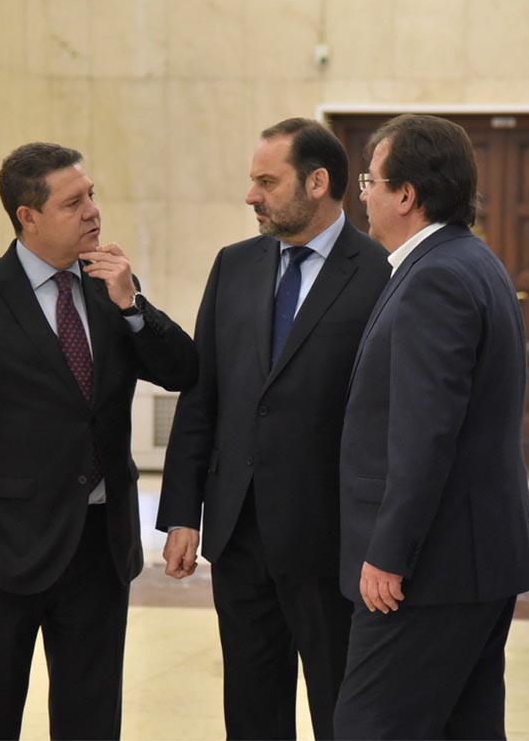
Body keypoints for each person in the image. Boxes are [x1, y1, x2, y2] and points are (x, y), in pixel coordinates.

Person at [0, 142, 197, 740]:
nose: (93, 210)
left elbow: (184, 371)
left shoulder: (110, 287)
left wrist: (133, 304)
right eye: (74, 202)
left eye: (92, 194)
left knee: (91, 722)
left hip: (99, 547)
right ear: (29, 216)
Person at [156, 117, 390, 739]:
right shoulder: (233, 265)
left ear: (318, 182)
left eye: (267, 180)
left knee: (340, 710)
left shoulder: (382, 274)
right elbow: (202, 395)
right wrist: (183, 510)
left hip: (332, 541)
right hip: (239, 535)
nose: (251, 196)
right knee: (252, 712)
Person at [333, 114, 529, 740]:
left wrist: (389, 554)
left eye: (369, 179)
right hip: (469, 561)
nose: (360, 193)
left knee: (370, 727)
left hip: (429, 571)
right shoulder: (470, 261)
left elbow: (425, 437)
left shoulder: (437, 278)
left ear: (406, 195)